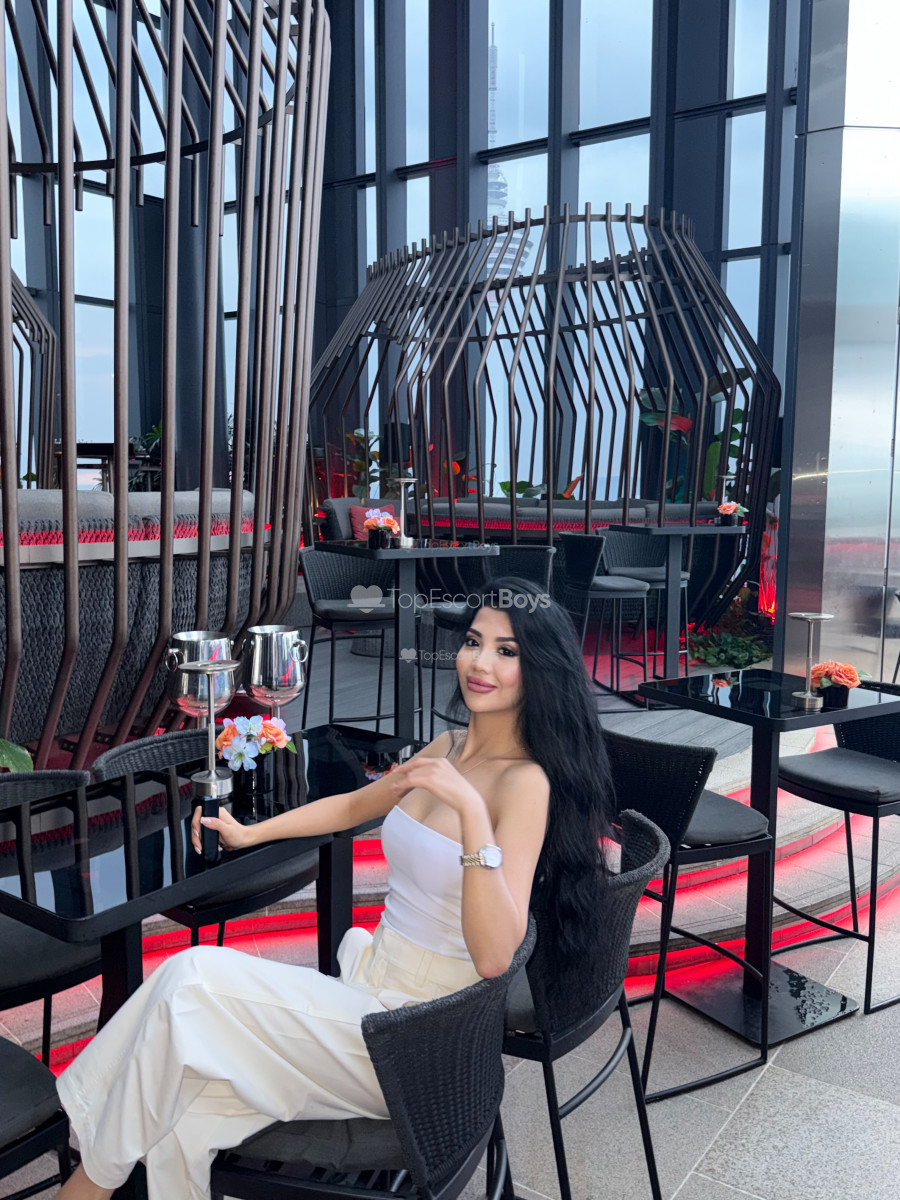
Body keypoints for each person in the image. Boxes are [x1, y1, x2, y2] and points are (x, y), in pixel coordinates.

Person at [55, 578, 615, 1200]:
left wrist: (472, 815)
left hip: (421, 1036)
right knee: (179, 1089)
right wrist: (248, 832)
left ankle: (86, 1176)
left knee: (190, 982)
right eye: (474, 642)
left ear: (538, 669)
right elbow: (352, 806)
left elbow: (493, 957)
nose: (480, 663)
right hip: (367, 991)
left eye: (506, 651)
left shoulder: (525, 783)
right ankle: (93, 1176)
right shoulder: (450, 746)